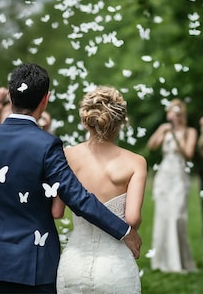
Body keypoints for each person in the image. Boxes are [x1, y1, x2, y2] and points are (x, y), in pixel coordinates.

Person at [0, 63, 142, 294]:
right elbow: (76, 197)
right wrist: (124, 231)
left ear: (9, 96)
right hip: (37, 263)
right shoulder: (47, 145)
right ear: (45, 99)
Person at [56, 86, 147, 293]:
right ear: (121, 121)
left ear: (85, 121)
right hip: (114, 267)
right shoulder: (136, 162)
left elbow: (57, 211)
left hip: (73, 264)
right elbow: (132, 219)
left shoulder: (66, 156)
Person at [147, 98, 197, 273]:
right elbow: (151, 146)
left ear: (181, 115)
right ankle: (161, 261)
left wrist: (176, 134)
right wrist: (162, 131)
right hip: (164, 175)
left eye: (176, 113)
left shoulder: (190, 131)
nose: (173, 117)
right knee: (162, 216)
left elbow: (189, 153)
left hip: (179, 175)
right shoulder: (165, 129)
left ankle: (179, 262)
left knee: (177, 216)